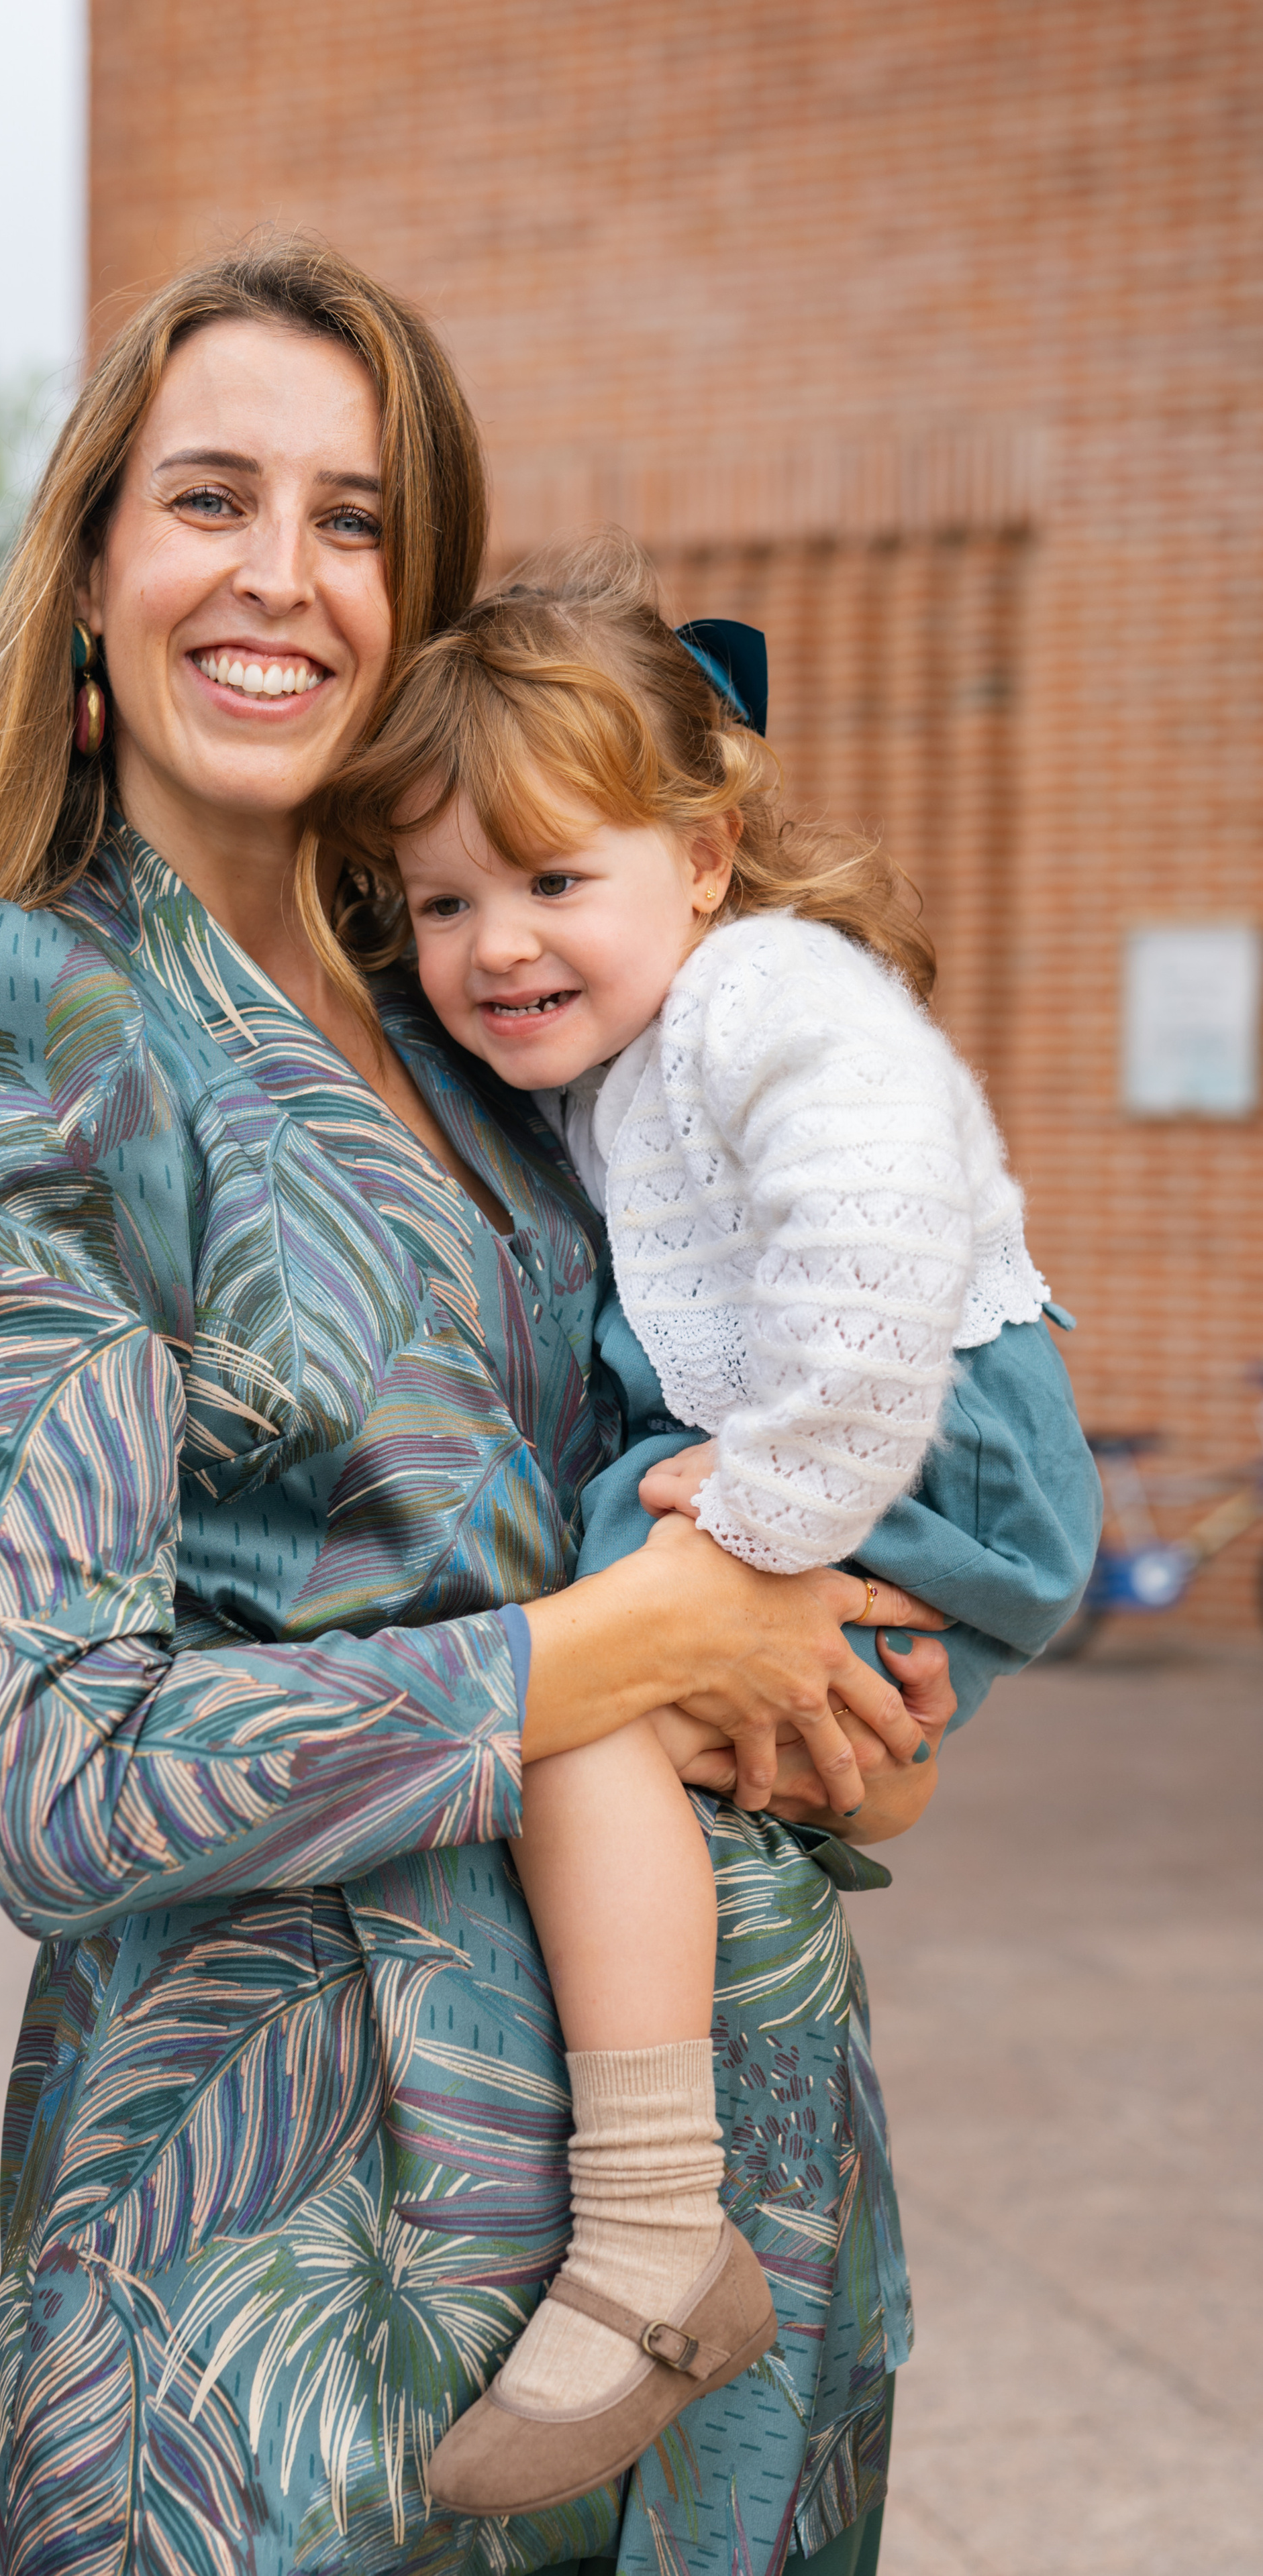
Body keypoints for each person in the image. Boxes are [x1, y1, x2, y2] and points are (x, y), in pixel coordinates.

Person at [0, 236, 1036, 2576]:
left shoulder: (483, 987)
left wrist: (840, 1660)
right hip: (297, 2277)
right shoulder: (3, 1017)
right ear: (84, 573)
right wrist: (653, 1646)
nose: (283, 576)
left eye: (357, 520)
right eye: (210, 500)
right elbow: (57, 1772)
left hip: (717, 2251)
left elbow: (679, 1449)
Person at [321, 535, 1102, 2518]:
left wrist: (752, 1536)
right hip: (846, 1470)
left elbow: (871, 1259)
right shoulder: (614, 1043)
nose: (497, 943)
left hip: (913, 1450)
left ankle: (655, 2225)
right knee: (658, 1729)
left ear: (710, 859)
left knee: (579, 1715)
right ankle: (845, 1792)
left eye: (556, 880)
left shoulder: (776, 1000)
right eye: (443, 900)